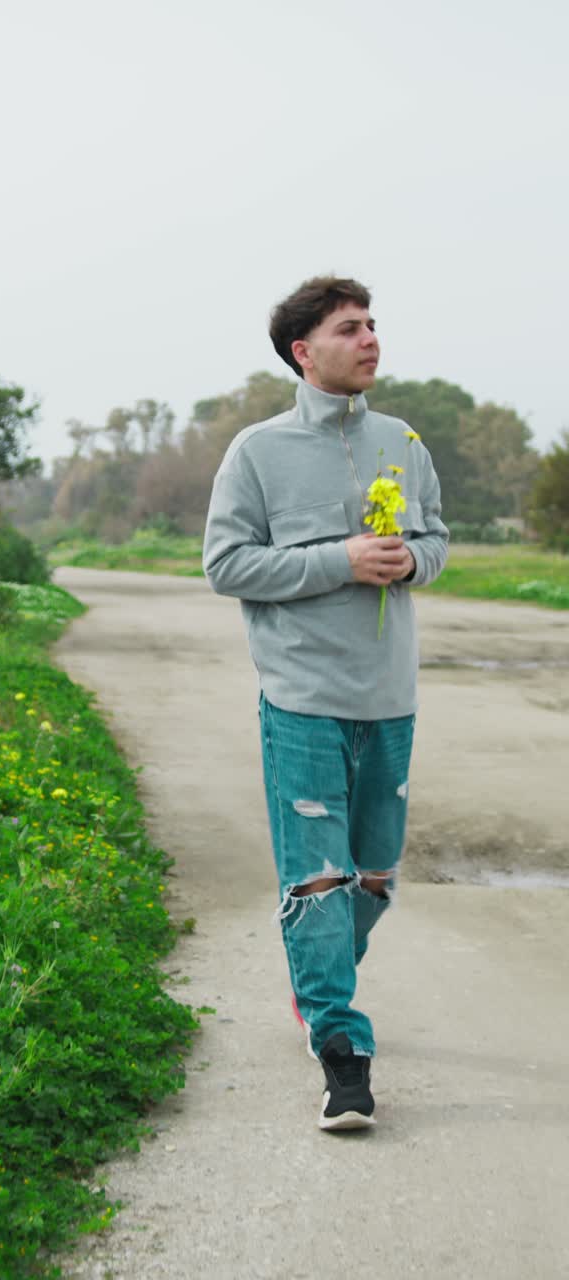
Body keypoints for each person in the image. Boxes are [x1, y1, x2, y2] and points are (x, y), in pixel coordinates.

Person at [202, 276, 448, 1131]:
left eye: (374, 323)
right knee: (318, 879)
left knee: (372, 877)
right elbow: (227, 565)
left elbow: (437, 539)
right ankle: (342, 1050)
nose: (371, 337)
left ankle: (316, 977)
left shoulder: (404, 441)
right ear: (304, 351)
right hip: (301, 698)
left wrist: (411, 562)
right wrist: (338, 561)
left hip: (391, 698)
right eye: (351, 328)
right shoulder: (256, 452)